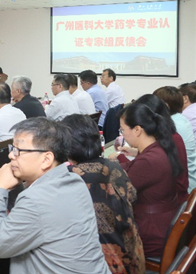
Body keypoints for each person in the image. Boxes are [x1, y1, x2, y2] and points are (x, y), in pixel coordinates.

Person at [0, 118, 110, 274]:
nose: (11, 155)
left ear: (46, 159)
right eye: (12, 148)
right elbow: (28, 216)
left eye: (18, 150)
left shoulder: (36, 201)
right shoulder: (74, 181)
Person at [61, 114, 145, 274]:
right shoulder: (114, 166)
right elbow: (132, 197)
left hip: (105, 265)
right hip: (134, 258)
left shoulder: (69, 178)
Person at [110, 103, 184, 258]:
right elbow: (134, 167)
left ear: (137, 130)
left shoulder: (150, 160)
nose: (122, 134)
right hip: (162, 222)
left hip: (150, 233)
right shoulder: (159, 148)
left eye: (122, 130)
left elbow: (118, 187)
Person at [117, 94, 189, 203]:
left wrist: (119, 158)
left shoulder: (168, 140)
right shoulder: (162, 139)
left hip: (175, 199)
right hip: (170, 199)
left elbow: (137, 173)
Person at [154, 86, 196, 192]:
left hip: (183, 186)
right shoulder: (180, 118)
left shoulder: (171, 124)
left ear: (165, 106)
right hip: (190, 178)